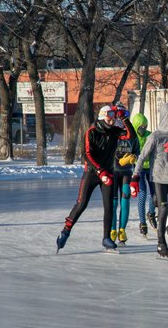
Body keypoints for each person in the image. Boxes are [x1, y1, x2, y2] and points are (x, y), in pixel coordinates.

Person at [56, 104, 136, 253]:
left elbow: (131, 136)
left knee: (109, 206)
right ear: (102, 116)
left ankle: (106, 238)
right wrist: (100, 171)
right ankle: (66, 230)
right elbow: (87, 154)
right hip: (92, 173)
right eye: (110, 116)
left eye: (114, 116)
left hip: (109, 174)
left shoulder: (114, 131)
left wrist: (124, 118)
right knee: (82, 204)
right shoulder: (91, 132)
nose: (112, 120)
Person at [130, 102, 168, 258]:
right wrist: (135, 176)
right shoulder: (155, 136)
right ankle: (161, 242)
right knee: (164, 209)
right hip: (159, 179)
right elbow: (142, 157)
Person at [110, 107, 140, 245]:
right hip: (113, 172)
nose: (121, 120)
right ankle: (112, 230)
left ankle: (122, 230)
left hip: (127, 172)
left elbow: (137, 152)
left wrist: (133, 157)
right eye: (118, 116)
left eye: (124, 116)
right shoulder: (112, 133)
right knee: (114, 202)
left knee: (125, 201)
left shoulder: (132, 135)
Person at [131, 113, 157, 238]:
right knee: (142, 195)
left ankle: (151, 213)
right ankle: (142, 223)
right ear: (136, 126)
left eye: (145, 126)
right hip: (138, 169)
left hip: (151, 168)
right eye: (141, 127)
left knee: (155, 194)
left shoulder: (150, 135)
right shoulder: (133, 137)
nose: (143, 129)